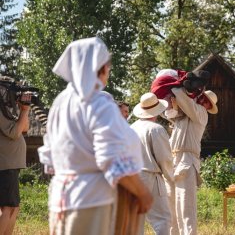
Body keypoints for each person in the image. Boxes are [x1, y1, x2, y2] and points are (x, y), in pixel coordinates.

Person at [38, 37, 153, 235]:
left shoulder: (60, 103)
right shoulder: (99, 103)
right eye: (107, 64)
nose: (109, 68)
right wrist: (142, 193)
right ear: (99, 67)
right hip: (92, 199)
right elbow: (111, 158)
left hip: (61, 196)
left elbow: (50, 156)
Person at [169, 88, 218, 235]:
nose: (204, 102)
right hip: (174, 160)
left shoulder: (201, 113)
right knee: (173, 206)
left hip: (187, 161)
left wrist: (176, 87)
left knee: (186, 207)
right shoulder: (183, 115)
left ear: (209, 107)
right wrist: (174, 102)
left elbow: (188, 104)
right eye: (202, 98)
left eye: (207, 102)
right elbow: (168, 112)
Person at [131, 92, 174, 235]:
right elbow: (164, 158)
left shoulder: (131, 128)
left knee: (135, 219)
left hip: (131, 177)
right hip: (150, 176)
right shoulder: (156, 129)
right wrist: (170, 177)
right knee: (162, 218)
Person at [0, 90, 31, 235]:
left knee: (13, 208)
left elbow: (24, 128)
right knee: (8, 207)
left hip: (10, 165)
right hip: (5, 165)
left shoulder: (5, 111)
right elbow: (14, 133)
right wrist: (24, 111)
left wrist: (24, 110)